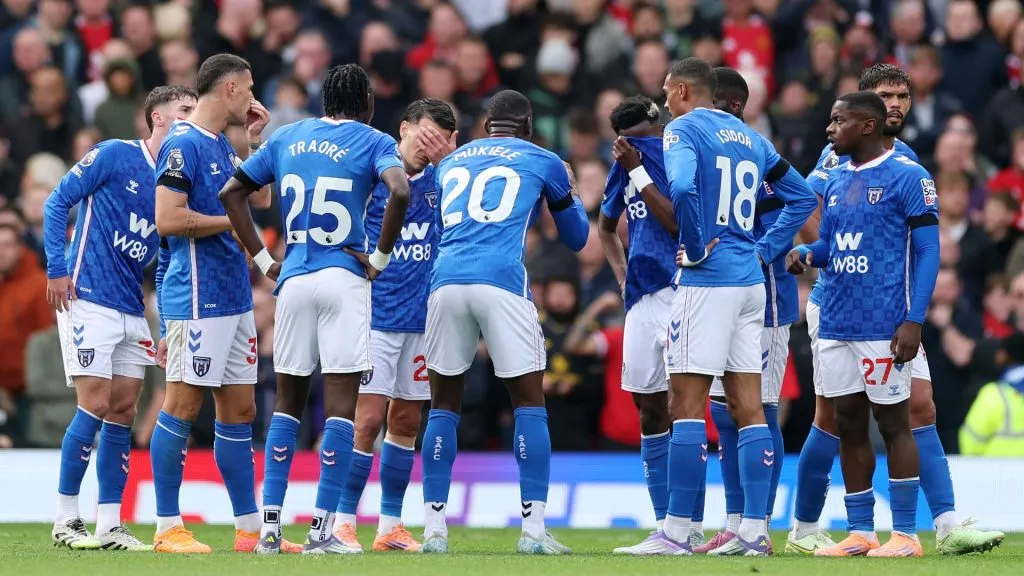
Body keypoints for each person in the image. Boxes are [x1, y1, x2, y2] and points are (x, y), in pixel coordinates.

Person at [787, 63, 1005, 556]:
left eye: (903, 95)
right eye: (885, 95)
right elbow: (803, 203)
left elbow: (924, 245)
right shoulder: (835, 156)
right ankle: (805, 528)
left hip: (890, 307)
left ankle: (942, 527)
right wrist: (826, 256)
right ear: (864, 106)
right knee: (832, 418)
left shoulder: (904, 162)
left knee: (918, 406)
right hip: (837, 302)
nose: (897, 104)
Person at [219, 64, 412, 555]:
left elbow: (232, 193)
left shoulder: (289, 136)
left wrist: (265, 261)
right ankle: (323, 530)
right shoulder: (373, 140)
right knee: (341, 405)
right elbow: (400, 190)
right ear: (365, 100)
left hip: (294, 278)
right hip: (344, 276)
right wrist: (381, 259)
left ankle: (268, 530)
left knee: (287, 401)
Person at [420, 89, 589, 555]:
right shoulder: (544, 158)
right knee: (529, 404)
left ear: (485, 124)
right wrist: (570, 190)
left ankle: (433, 530)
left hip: (446, 281)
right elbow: (576, 239)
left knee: (443, 406)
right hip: (501, 281)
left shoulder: (453, 162)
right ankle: (533, 532)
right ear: (528, 126)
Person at [659, 57, 815, 556]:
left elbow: (682, 187)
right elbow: (802, 196)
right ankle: (752, 532)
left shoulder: (683, 129)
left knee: (685, 402)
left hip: (709, 281)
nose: (663, 101)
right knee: (749, 408)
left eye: (666, 91)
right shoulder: (753, 139)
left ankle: (677, 531)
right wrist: (762, 249)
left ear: (683, 90)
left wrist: (699, 243)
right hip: (752, 285)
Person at [786, 90, 941, 557]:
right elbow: (831, 246)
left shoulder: (909, 176)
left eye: (838, 122)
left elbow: (930, 251)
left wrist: (914, 320)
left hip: (883, 322)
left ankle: (907, 535)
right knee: (849, 424)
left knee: (893, 425)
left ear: (867, 127)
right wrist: (806, 254)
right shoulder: (834, 182)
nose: (829, 130)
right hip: (835, 321)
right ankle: (860, 533)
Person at [43, 85, 197, 552]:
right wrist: (57, 268)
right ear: (157, 118)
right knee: (94, 401)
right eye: (184, 112)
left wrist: (168, 322)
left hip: (132, 305)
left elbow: (169, 259)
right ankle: (65, 517)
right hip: (86, 294)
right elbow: (56, 202)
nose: (191, 119)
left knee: (124, 410)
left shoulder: (176, 181)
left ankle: (109, 523)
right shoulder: (113, 155)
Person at [149, 53, 278, 554]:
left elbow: (260, 200)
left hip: (233, 296)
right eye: (247, 89)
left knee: (240, 410)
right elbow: (167, 219)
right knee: (181, 405)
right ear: (228, 89)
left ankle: (249, 531)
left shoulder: (224, 144)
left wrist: (255, 141)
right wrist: (234, 224)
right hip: (196, 296)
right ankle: (166, 527)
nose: (251, 98)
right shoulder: (182, 146)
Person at [332, 98, 457, 553]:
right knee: (365, 421)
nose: (428, 147)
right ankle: (343, 522)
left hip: (423, 321)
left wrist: (448, 163)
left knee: (405, 421)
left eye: (439, 140)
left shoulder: (449, 182)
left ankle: (390, 526)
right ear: (402, 129)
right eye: (424, 135)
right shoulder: (373, 177)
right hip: (376, 318)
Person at [694, 67, 803, 555]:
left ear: (733, 105)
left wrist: (763, 250)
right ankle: (736, 521)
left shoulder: (757, 152)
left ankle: (758, 524)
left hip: (767, 299)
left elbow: (795, 205)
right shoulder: (718, 151)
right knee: (725, 412)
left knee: (759, 410)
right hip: (723, 292)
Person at [595, 95, 702, 554]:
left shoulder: (673, 156)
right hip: (640, 298)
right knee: (649, 407)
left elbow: (680, 224)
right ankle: (665, 525)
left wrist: (638, 164)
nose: (633, 144)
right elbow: (604, 227)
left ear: (656, 125)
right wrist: (621, 278)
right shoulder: (624, 158)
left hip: (682, 290)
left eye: (641, 135)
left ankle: (690, 523)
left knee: (686, 405)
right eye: (626, 138)